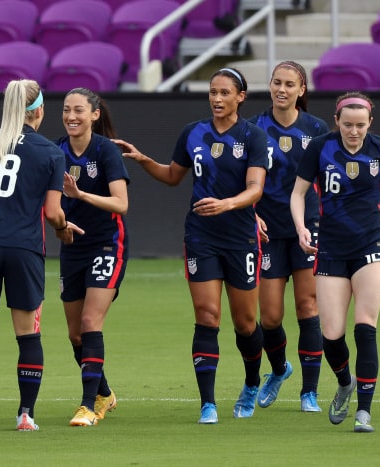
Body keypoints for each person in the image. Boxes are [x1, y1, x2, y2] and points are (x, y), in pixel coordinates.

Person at [114, 68, 269, 424]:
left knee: (246, 323)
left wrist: (227, 204)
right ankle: (208, 403)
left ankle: (250, 381)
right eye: (212, 92)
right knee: (207, 316)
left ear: (240, 97)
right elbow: (173, 176)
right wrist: (143, 160)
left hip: (240, 236)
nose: (216, 99)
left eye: (224, 93)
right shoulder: (193, 132)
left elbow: (255, 188)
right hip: (201, 236)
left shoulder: (253, 137)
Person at [0, 79, 83, 433]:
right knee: (27, 334)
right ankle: (26, 415)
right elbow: (53, 212)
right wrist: (62, 227)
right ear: (39, 110)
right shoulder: (50, 152)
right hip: (25, 248)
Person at [290, 92, 380, 433]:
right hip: (330, 247)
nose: (353, 131)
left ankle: (364, 412)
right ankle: (344, 383)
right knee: (331, 335)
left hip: (370, 244)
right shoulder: (320, 148)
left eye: (360, 125)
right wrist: (301, 228)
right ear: (337, 121)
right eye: (347, 125)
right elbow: (298, 193)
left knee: (365, 326)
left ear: (370, 123)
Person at [247, 61, 329, 413]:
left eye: (289, 84)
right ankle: (279, 370)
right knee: (269, 318)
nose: (282, 89)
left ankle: (309, 391)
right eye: (277, 83)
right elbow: (241, 182)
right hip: (267, 231)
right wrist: (251, 214)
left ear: (301, 90)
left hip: (307, 227)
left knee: (308, 307)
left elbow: (329, 181)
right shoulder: (253, 128)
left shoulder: (317, 129)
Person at [55, 88, 129, 427]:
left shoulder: (106, 151)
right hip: (71, 246)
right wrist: (58, 225)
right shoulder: (56, 150)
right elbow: (49, 201)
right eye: (67, 110)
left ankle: (87, 406)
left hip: (107, 243)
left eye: (79, 110)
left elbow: (121, 204)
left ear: (94, 114)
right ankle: (105, 393)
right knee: (74, 335)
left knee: (89, 324)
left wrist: (80, 194)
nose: (72, 116)